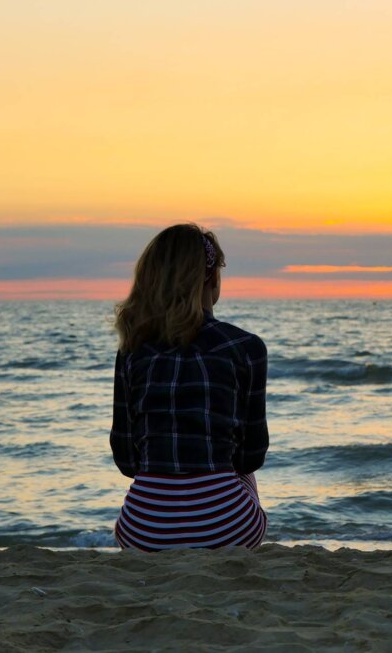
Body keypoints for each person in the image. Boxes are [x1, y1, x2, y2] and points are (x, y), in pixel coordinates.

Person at [110, 223, 269, 551]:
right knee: (241, 476)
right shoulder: (246, 346)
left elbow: (127, 460)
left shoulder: (132, 350)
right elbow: (251, 456)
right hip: (229, 530)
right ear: (211, 279)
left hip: (144, 531)